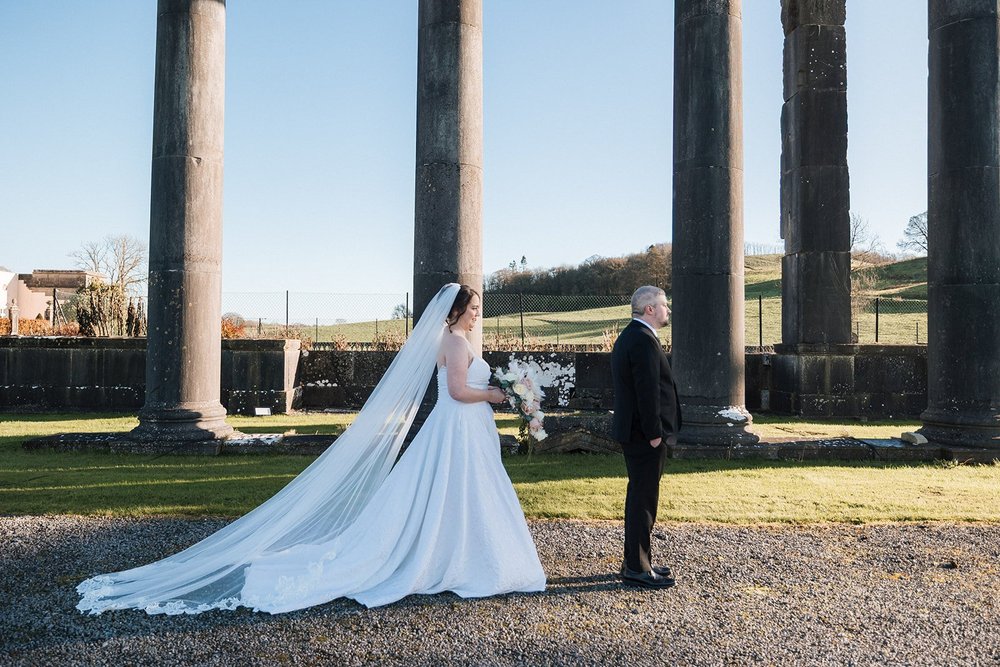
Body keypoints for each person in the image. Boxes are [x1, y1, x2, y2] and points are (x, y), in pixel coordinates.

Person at [77, 283, 546, 614]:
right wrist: (497, 394)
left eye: (478, 307)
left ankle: (456, 550)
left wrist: (503, 392)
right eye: (475, 307)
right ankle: (461, 557)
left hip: (461, 430)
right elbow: (460, 392)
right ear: (459, 310)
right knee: (457, 491)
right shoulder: (457, 344)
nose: (478, 312)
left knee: (454, 493)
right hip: (459, 426)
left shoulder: (452, 339)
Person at [610, 285, 681, 589]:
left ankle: (637, 561)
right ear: (649, 309)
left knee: (640, 496)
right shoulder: (641, 340)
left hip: (638, 433)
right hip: (645, 435)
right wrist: (655, 433)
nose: (668, 310)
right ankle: (637, 568)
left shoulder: (635, 336)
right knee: (643, 500)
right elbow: (647, 391)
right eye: (664, 305)